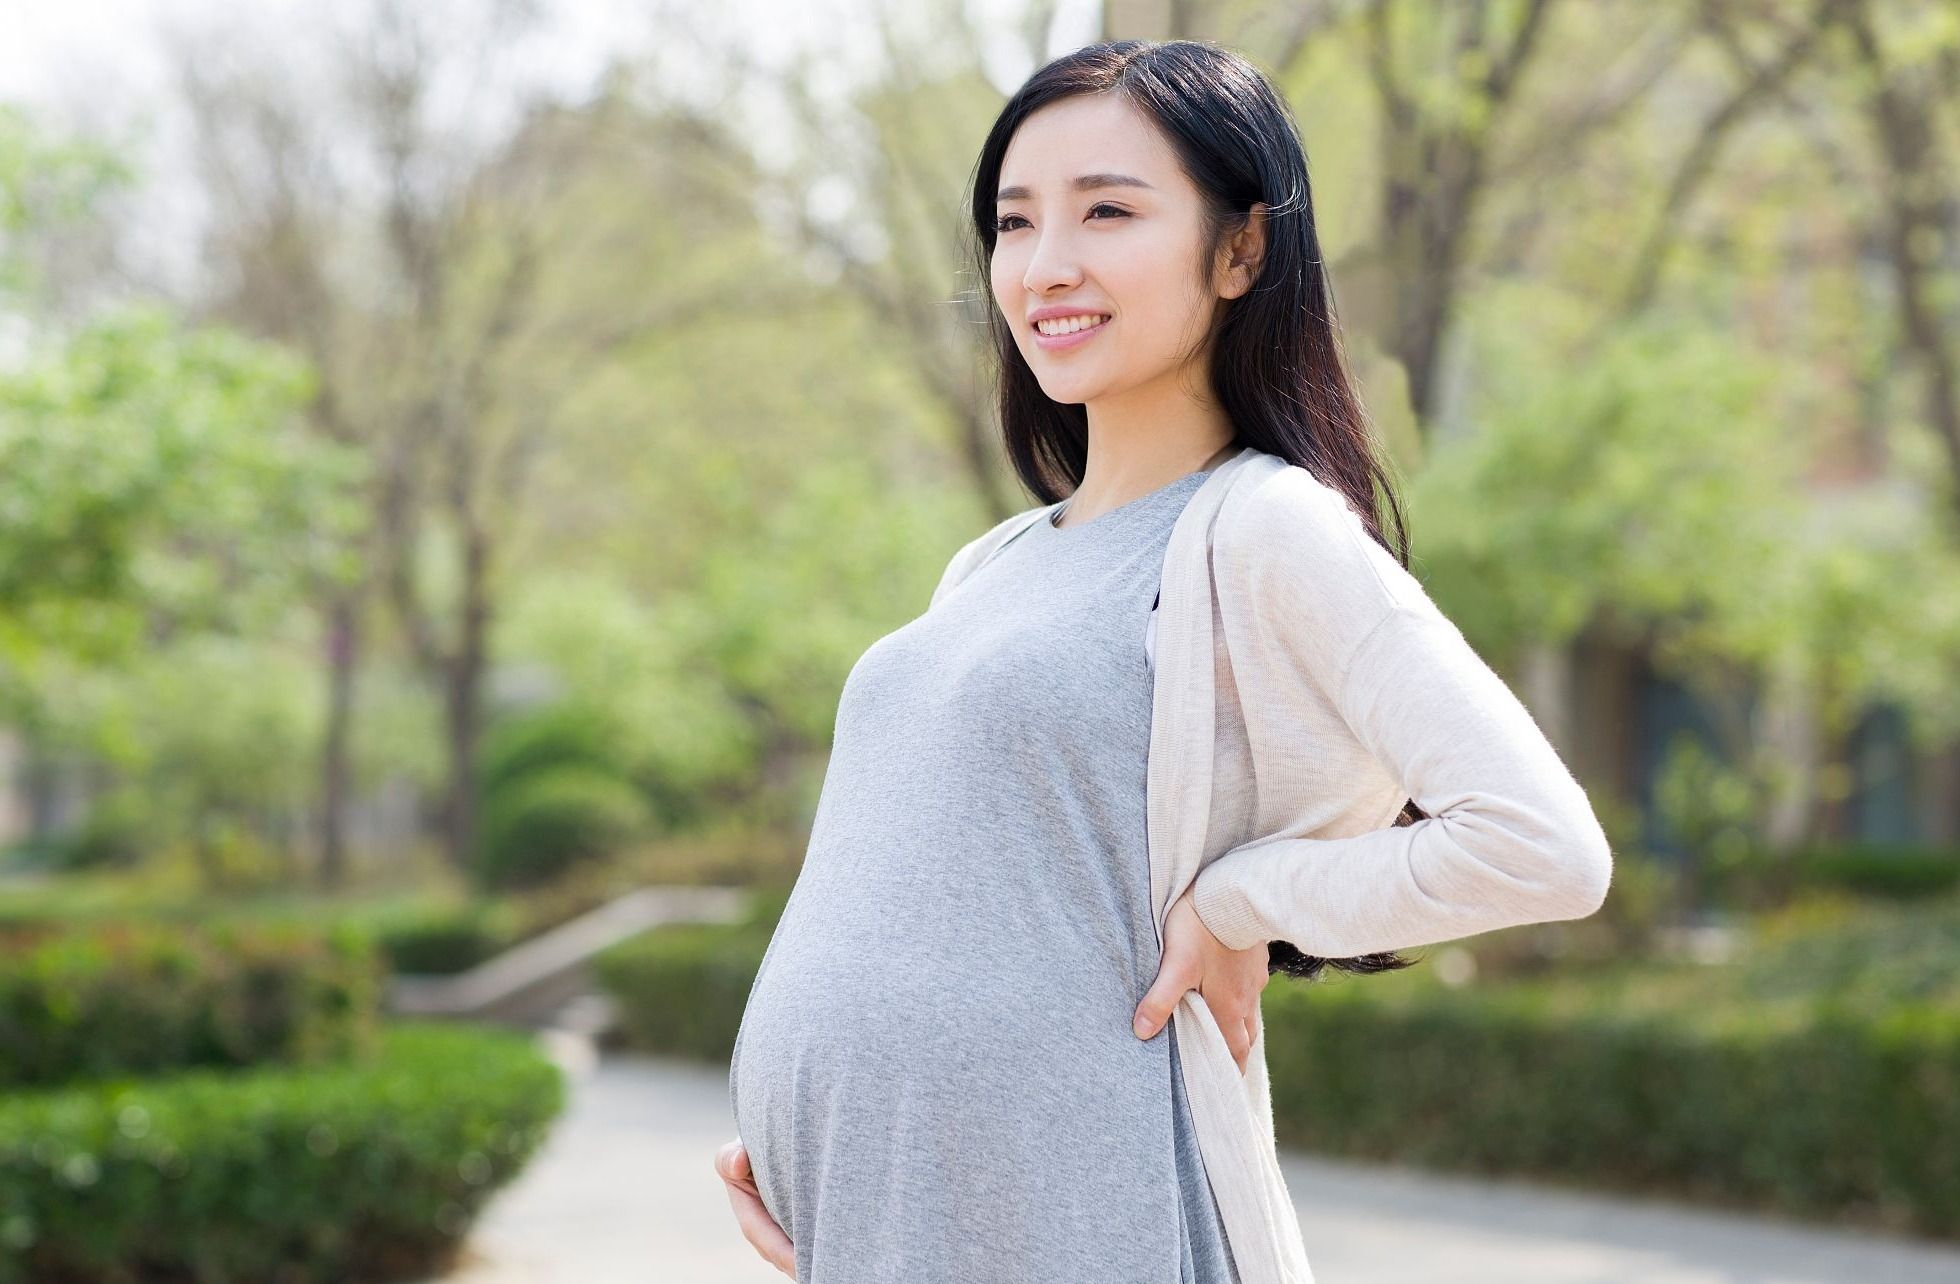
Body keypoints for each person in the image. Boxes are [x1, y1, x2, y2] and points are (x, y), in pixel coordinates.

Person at [715, 37, 1611, 1284]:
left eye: (1108, 212)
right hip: (896, 1217)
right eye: (1015, 223)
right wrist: (810, 1122)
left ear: (1241, 249)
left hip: (1075, 1214)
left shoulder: (1263, 526)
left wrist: (1242, 901)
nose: (1046, 265)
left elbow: (1543, 846)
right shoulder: (993, 563)